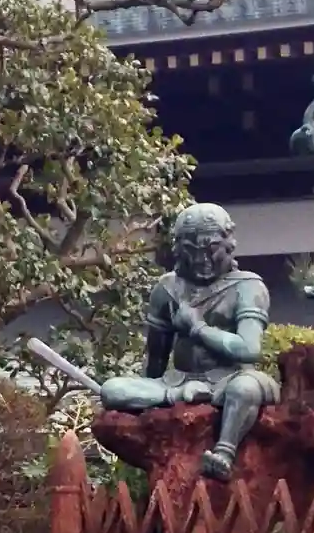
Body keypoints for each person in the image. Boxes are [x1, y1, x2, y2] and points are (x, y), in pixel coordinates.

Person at [101, 202, 278, 479]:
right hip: (179, 382)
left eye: (211, 248)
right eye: (190, 250)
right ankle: (185, 394)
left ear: (229, 244)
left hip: (230, 378)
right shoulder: (168, 288)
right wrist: (147, 398)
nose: (200, 259)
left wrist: (197, 328)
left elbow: (248, 349)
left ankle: (224, 453)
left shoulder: (248, 286)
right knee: (112, 390)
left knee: (245, 389)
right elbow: (156, 358)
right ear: (178, 249)